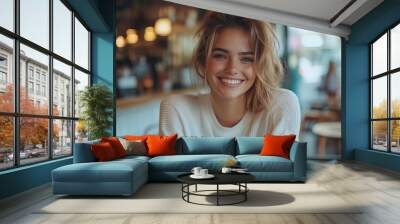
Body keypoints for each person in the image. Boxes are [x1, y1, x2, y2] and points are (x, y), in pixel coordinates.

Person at [159, 12, 300, 138]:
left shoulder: (282, 106)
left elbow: (281, 168)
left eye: (246, 59)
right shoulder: (177, 109)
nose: (232, 69)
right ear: (203, 61)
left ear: (261, 65)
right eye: (220, 56)